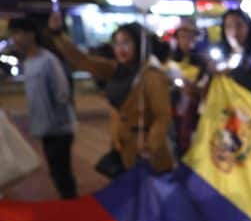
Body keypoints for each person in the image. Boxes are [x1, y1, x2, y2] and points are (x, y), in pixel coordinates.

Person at [47, 14, 173, 173]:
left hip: (146, 154)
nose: (121, 48)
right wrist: (58, 34)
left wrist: (151, 146)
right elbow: (82, 61)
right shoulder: (115, 69)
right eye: (117, 43)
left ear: (140, 44)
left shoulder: (151, 75)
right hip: (122, 148)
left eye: (127, 42)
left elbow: (162, 116)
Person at [8, 17, 77, 199]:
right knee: (56, 173)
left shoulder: (48, 60)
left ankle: (74, 210)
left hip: (59, 128)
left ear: (31, 35)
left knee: (62, 174)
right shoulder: (28, 62)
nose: (15, 38)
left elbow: (62, 93)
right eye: (13, 34)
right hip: (45, 128)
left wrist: (58, 118)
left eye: (18, 33)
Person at [169, 18, 209, 155]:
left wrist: (195, 89)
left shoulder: (201, 60)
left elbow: (205, 83)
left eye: (189, 36)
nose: (186, 40)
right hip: (174, 108)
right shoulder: (170, 59)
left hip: (192, 109)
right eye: (182, 36)